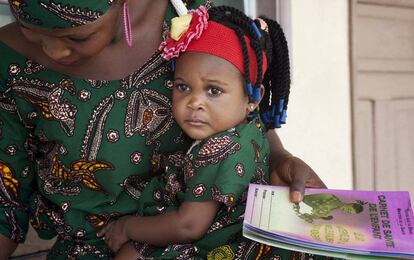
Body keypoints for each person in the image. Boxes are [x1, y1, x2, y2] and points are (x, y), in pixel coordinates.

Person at [0, 0, 325, 259]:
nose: (54, 51)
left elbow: (238, 116)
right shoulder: (7, 61)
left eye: (77, 36)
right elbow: (6, 198)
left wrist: (280, 157)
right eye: (31, 30)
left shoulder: (189, 21)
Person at [97, 5, 329, 259]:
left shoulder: (221, 149)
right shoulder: (249, 127)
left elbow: (188, 227)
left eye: (214, 91)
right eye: (183, 87)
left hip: (226, 245)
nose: (194, 102)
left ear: (253, 99)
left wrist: (127, 227)